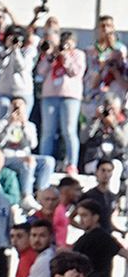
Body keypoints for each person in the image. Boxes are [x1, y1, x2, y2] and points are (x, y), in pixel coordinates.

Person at [38, 31, 86, 173]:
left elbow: (75, 71)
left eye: (69, 41)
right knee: (47, 131)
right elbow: (41, 71)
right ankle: (44, 161)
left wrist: (66, 57)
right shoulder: (53, 54)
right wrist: (49, 57)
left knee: (69, 130)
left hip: (70, 96)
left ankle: (71, 163)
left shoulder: (78, 54)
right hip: (50, 96)